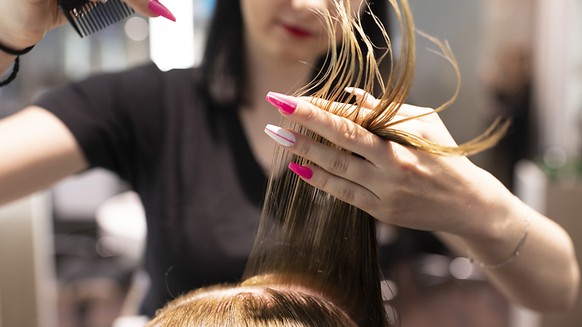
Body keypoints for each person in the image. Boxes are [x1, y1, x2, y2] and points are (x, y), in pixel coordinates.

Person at [0, 0, 578, 320]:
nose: (305, 2)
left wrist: (473, 207)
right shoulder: (149, 106)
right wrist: (5, 34)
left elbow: (558, 292)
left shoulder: (393, 138)